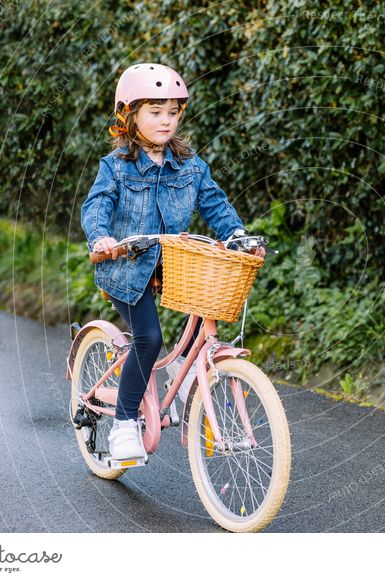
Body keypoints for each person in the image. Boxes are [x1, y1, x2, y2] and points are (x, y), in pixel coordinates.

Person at [80, 63, 265, 460]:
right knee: (148, 338)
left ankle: (184, 375)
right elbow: (97, 205)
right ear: (129, 115)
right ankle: (126, 423)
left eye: (173, 112)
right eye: (154, 111)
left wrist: (237, 237)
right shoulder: (115, 167)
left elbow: (214, 203)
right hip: (126, 269)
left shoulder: (190, 166)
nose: (166, 121)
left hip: (176, 266)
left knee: (206, 302)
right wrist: (103, 238)